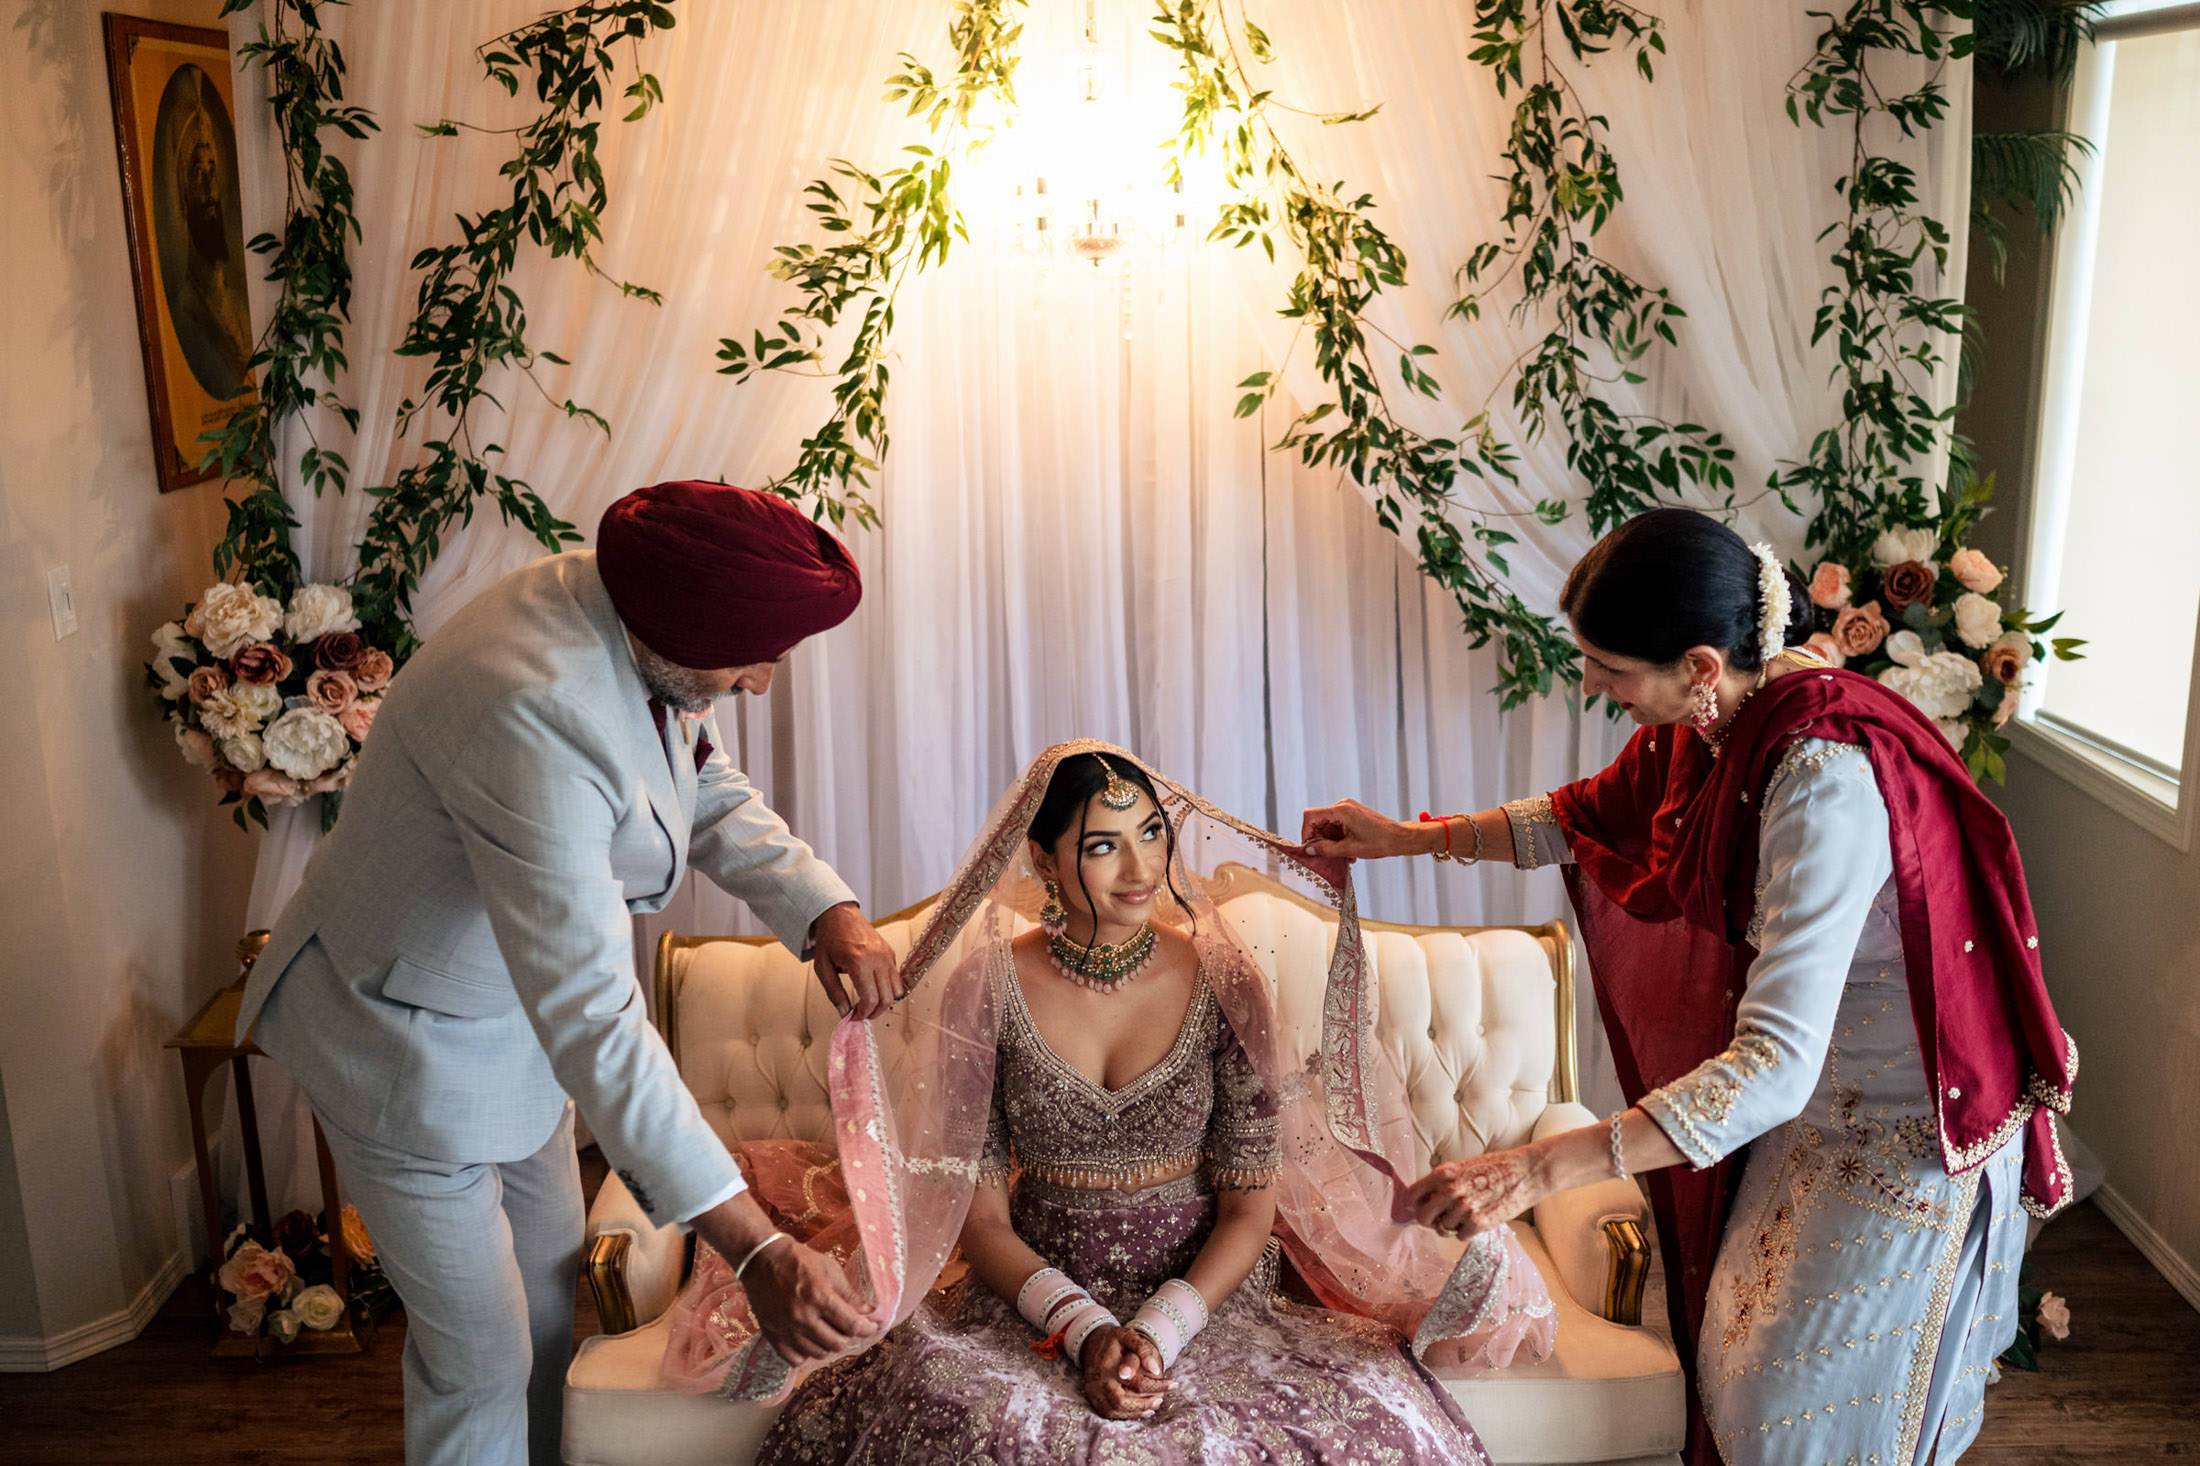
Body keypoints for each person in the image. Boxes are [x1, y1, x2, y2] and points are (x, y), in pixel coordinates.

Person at [1301, 508, 2076, 1466]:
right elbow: (1587, 817)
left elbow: (1775, 1062)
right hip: (1811, 1112)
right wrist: (1408, 838)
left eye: (1610, 668)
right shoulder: (1713, 723)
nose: (1591, 683)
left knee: (1812, 1412)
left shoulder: (1823, 778)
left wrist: (1531, 1171)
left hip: (1905, 1129)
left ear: (1701, 665)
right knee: (1734, 1372)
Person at [236, 481, 903, 1466]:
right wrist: (757, 1248)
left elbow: (691, 773)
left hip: (511, 1029)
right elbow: (597, 1017)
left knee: (552, 1314)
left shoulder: (617, 609)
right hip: (401, 1044)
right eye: (755, 655)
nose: (762, 680)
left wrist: (823, 906)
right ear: (680, 625)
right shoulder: (535, 706)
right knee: (480, 1364)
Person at [659, 743, 1557, 1464]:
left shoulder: (1225, 979)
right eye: (1101, 844)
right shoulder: (988, 990)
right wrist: (1086, 1332)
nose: (1141, 868)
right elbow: (980, 1222)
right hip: (1028, 1297)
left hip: (1209, 1298)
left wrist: (1158, 1333)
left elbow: (1252, 1208)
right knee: (994, 1432)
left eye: (1152, 834)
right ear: (1043, 859)